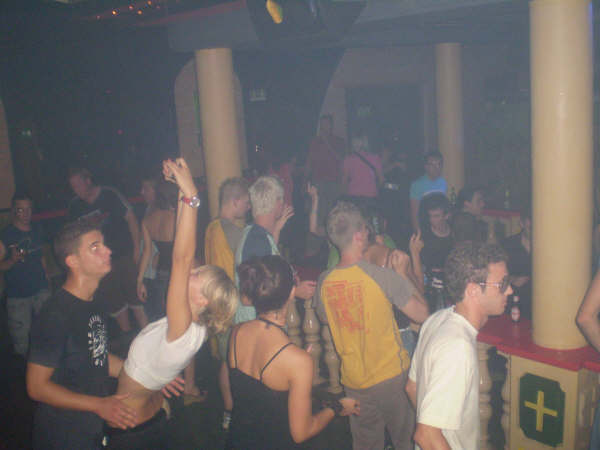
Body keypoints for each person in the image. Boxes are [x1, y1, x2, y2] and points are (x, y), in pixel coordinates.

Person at [105, 158, 239, 449]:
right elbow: (134, 370)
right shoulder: (195, 328)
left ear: (203, 300)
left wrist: (191, 195)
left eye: (198, 275)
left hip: (132, 430)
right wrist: (180, 191)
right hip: (154, 413)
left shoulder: (182, 327)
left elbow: (181, 257)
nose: (191, 271)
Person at [316, 201, 429, 450]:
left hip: (354, 382)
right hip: (392, 377)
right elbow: (422, 315)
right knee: (406, 441)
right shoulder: (380, 276)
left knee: (367, 444)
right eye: (365, 229)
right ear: (358, 235)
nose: (368, 233)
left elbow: (324, 318)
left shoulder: (324, 281)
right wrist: (402, 273)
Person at [226, 255, 360, 449]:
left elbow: (252, 396)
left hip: (237, 440)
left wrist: (295, 365)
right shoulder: (297, 361)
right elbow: (301, 433)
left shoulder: (237, 332)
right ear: (291, 293)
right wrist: (337, 407)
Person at [26, 220, 138, 449]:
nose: (108, 251)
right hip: (62, 433)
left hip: (92, 425)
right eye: (95, 247)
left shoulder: (94, 302)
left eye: (104, 244)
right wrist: (98, 405)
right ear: (72, 261)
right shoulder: (55, 315)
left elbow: (98, 356)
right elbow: (36, 387)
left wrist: (148, 375)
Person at [406, 241, 512, 450]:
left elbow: (412, 387)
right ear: (473, 290)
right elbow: (426, 435)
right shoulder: (457, 347)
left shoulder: (437, 320)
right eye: (502, 284)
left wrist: (433, 418)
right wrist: (435, 430)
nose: (509, 290)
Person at [67, 167, 147, 333]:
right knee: (116, 305)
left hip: (123, 257)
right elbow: (74, 239)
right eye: (73, 187)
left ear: (88, 181)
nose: (76, 190)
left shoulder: (109, 194)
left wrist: (137, 249)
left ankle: (149, 336)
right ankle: (128, 339)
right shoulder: (75, 207)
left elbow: (131, 219)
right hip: (100, 265)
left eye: (78, 185)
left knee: (137, 300)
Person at [234, 175, 315, 324]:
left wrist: (276, 231)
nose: (284, 204)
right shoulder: (256, 241)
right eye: (282, 199)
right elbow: (246, 297)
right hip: (256, 327)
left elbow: (267, 267)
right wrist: (294, 292)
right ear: (277, 203)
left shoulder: (256, 234)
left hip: (261, 325)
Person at [204, 177, 250, 429]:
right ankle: (242, 411)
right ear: (235, 201)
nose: (248, 207)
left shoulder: (211, 228)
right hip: (234, 305)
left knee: (225, 360)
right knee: (239, 361)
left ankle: (229, 412)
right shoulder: (233, 232)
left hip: (217, 303)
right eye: (245, 202)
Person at [0, 192, 50, 357]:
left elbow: (42, 257)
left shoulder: (37, 229)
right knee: (22, 341)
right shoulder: (6, 235)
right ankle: (24, 369)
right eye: (21, 210)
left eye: (29, 209)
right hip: (18, 295)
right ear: (14, 211)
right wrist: (12, 260)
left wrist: (48, 278)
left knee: (48, 330)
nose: (26, 214)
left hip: (41, 289)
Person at [306, 114, 346, 227]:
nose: (324, 126)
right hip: (318, 181)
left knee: (334, 212)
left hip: (334, 181)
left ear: (331, 125)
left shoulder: (339, 141)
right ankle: (318, 233)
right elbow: (310, 161)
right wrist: (306, 180)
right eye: (322, 124)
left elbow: (341, 159)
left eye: (326, 124)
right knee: (319, 212)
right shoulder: (315, 141)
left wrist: (327, 143)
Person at [419, 193, 454, 312]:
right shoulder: (423, 237)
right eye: (430, 216)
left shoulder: (455, 233)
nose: (432, 220)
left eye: (437, 216)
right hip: (431, 290)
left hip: (451, 286)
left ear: (447, 215)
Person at [501, 207, 532, 321]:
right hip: (513, 304)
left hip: (539, 304)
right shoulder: (507, 245)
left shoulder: (548, 247)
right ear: (521, 223)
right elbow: (494, 278)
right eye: (530, 226)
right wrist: (512, 279)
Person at [341, 132, 383, 206]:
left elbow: (344, 182)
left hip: (353, 196)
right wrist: (375, 190)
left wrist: (344, 197)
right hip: (370, 197)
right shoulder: (375, 158)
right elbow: (381, 180)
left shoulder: (348, 160)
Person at [409, 152, 447, 232]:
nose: (436, 168)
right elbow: (414, 213)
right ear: (426, 167)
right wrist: (417, 232)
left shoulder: (443, 182)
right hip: (425, 226)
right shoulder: (417, 184)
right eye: (432, 164)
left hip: (440, 227)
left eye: (439, 164)